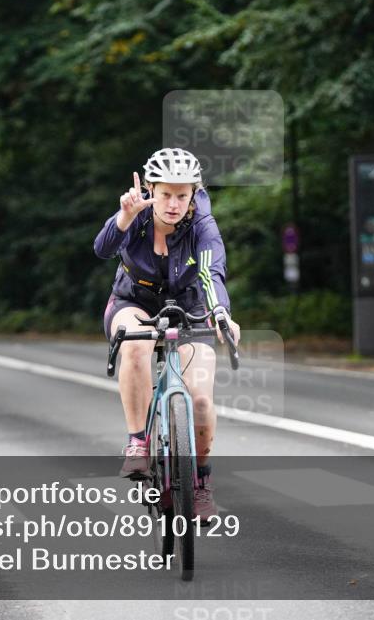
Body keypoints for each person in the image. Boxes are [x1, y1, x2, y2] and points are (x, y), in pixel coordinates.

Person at [94, 147, 241, 522]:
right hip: (133, 301)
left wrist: (221, 312)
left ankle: (201, 483)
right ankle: (138, 442)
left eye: (182, 195)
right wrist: (124, 217)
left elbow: (211, 272)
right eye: (165, 194)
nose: (174, 204)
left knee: (202, 402)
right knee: (138, 342)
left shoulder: (202, 225)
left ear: (194, 193)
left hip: (190, 307)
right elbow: (102, 249)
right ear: (151, 190)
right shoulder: (136, 216)